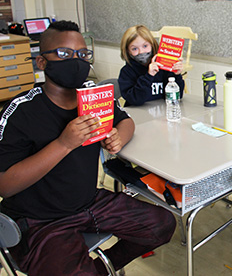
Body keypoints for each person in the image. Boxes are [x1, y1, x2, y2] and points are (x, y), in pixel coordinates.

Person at [0, 20, 176, 275]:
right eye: (64, 54)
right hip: (39, 220)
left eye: (83, 54)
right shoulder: (22, 110)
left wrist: (118, 137)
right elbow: (5, 184)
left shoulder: (91, 97)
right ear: (41, 62)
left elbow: (125, 120)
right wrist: (63, 144)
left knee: (162, 224)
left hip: (88, 202)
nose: (76, 60)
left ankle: (100, 270)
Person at [118, 25, 185, 106]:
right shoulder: (126, 72)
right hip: (138, 115)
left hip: (162, 112)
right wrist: (149, 76)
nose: (141, 52)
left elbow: (177, 96)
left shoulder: (163, 67)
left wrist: (176, 75)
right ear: (128, 51)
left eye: (145, 46)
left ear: (152, 45)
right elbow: (135, 100)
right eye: (134, 49)